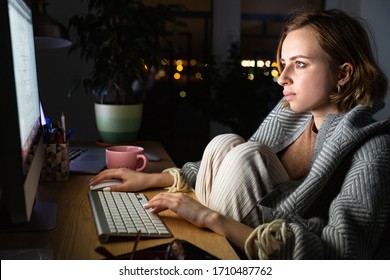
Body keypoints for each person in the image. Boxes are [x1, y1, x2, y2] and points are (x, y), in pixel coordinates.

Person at [90, 8, 390, 259]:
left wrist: (210, 218)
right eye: (283, 64)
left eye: (299, 64)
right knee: (227, 143)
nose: (282, 77)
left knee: (248, 154)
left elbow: (343, 255)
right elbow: (234, 166)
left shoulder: (374, 149)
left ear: (343, 74)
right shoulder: (292, 114)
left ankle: (206, 254)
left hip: (272, 248)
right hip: (245, 221)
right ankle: (195, 248)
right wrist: (155, 179)